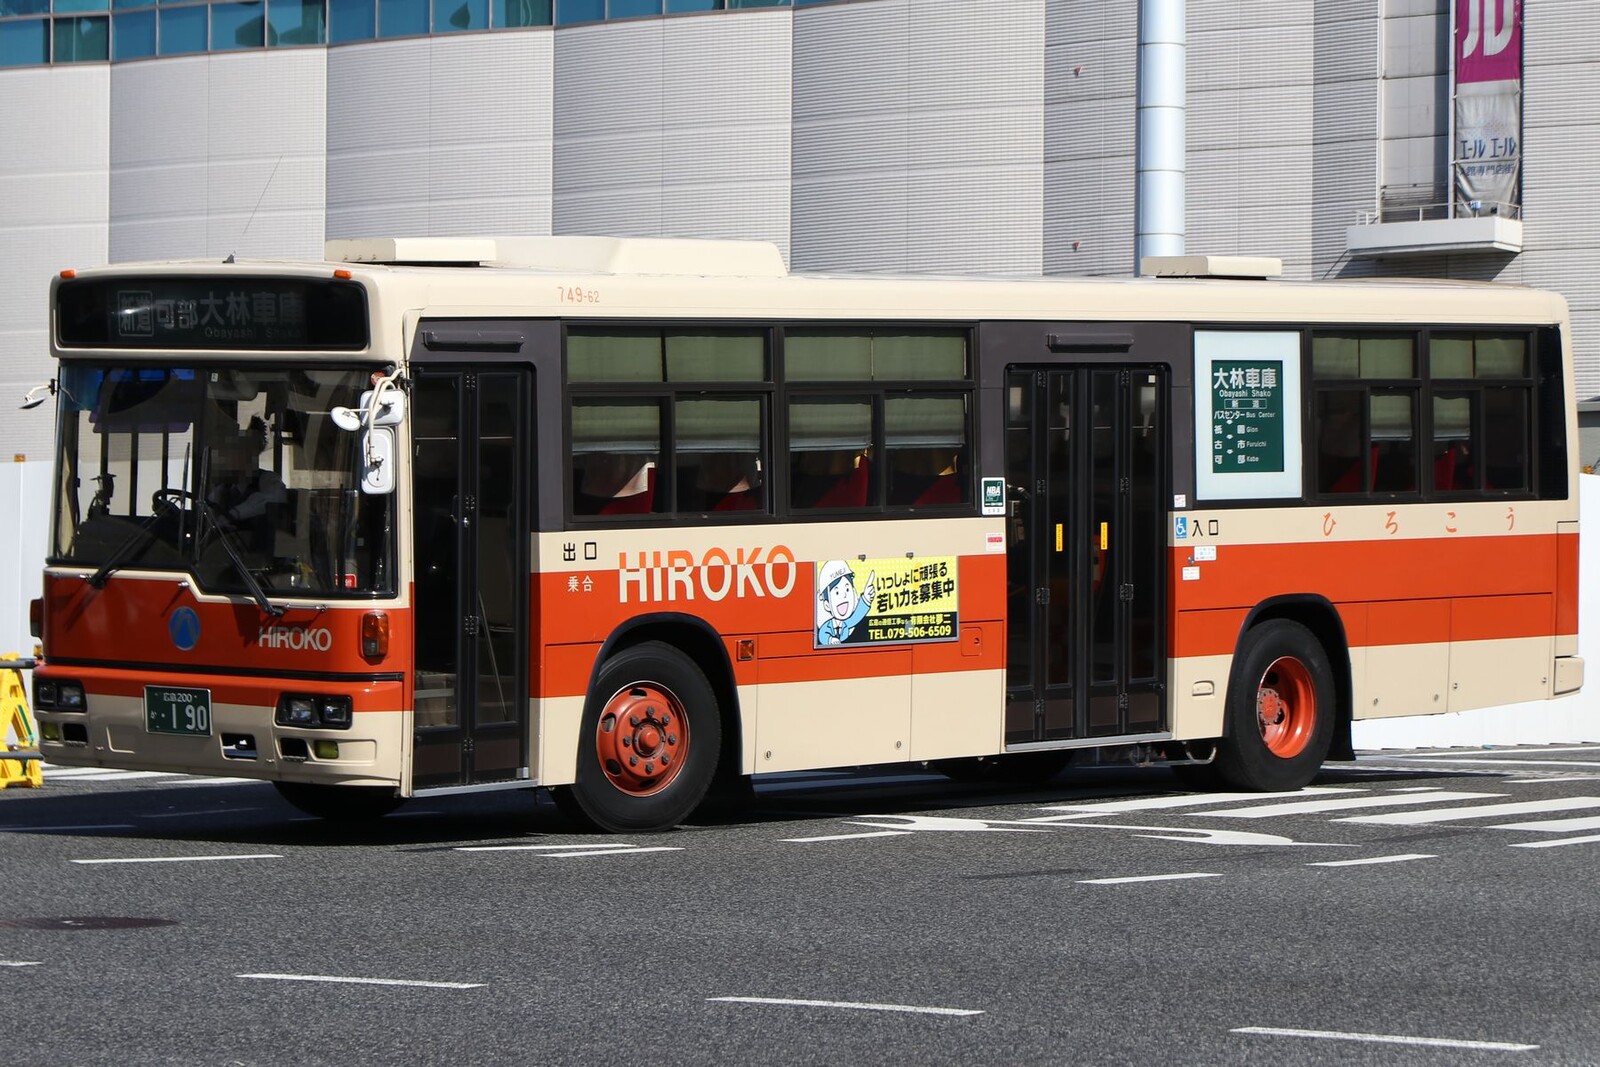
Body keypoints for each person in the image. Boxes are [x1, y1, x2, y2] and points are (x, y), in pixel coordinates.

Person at [206, 416, 286, 539]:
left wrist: (234, 514)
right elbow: (208, 511)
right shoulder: (223, 490)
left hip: (259, 554)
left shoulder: (268, 480)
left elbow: (274, 497)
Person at [815, 560, 876, 646]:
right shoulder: (827, 626)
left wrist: (866, 598)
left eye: (847, 589)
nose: (844, 595)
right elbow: (822, 635)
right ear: (827, 605)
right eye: (837, 593)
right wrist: (830, 640)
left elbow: (857, 616)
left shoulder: (846, 623)